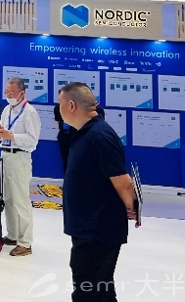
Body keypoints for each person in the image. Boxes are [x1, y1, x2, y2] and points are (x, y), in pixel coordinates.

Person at [58, 82, 136, 302]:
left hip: (98, 229)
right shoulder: (85, 133)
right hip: (88, 227)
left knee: (90, 290)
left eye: (60, 104)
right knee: (98, 290)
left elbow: (122, 181)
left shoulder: (99, 135)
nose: (58, 109)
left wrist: (131, 207)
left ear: (71, 105)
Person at [0, 77, 40, 256]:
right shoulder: (7, 110)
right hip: (5, 155)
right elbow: (3, 134)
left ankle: (25, 242)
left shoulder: (30, 112)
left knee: (21, 201)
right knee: (9, 199)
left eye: (12, 93)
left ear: (22, 93)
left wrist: (12, 136)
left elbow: (32, 140)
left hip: (20, 157)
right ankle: (13, 234)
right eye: (7, 92)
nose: (9, 95)